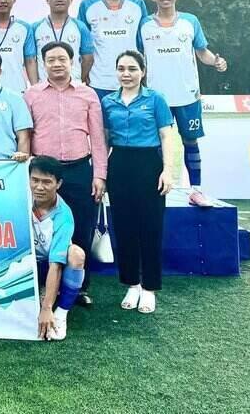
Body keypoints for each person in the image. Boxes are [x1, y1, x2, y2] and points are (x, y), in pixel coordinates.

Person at [24, 41, 108, 306]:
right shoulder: (32, 94)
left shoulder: (87, 94)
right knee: (36, 228)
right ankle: (39, 286)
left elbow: (97, 137)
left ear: (72, 61)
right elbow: (26, 134)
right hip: (43, 170)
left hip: (79, 168)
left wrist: (100, 175)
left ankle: (78, 288)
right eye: (51, 60)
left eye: (62, 59)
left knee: (82, 227)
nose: (57, 64)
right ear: (43, 63)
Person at [138, 0, 228, 207]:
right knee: (155, 145)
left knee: (190, 142)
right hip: (156, 97)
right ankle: (155, 190)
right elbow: (139, 57)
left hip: (187, 95)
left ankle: (196, 190)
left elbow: (202, 51)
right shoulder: (144, 24)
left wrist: (216, 61)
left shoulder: (190, 21)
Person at [101, 50, 175, 314]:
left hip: (149, 165)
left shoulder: (156, 99)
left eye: (132, 69)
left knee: (151, 227)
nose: (126, 74)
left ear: (142, 72)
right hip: (119, 165)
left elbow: (166, 137)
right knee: (125, 228)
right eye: (121, 69)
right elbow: (105, 140)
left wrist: (167, 170)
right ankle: (131, 284)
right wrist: (101, 173)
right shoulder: (108, 102)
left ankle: (149, 288)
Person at [29, 156, 87, 341]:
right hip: (27, 263)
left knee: (77, 255)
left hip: (50, 265)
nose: (39, 187)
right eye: (35, 180)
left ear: (58, 184)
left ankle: (61, 314)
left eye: (47, 182)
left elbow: (56, 265)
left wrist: (47, 310)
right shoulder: (20, 198)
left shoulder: (64, 215)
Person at [77, 0, 147, 98]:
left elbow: (144, 44)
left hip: (131, 80)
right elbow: (83, 46)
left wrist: (144, 73)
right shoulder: (87, 5)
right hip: (98, 82)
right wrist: (83, 74)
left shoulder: (138, 4)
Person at [28, 0, 94, 84]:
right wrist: (36, 85)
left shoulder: (80, 27)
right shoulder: (35, 27)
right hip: (45, 86)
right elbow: (31, 60)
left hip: (73, 86)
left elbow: (88, 58)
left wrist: (77, 78)